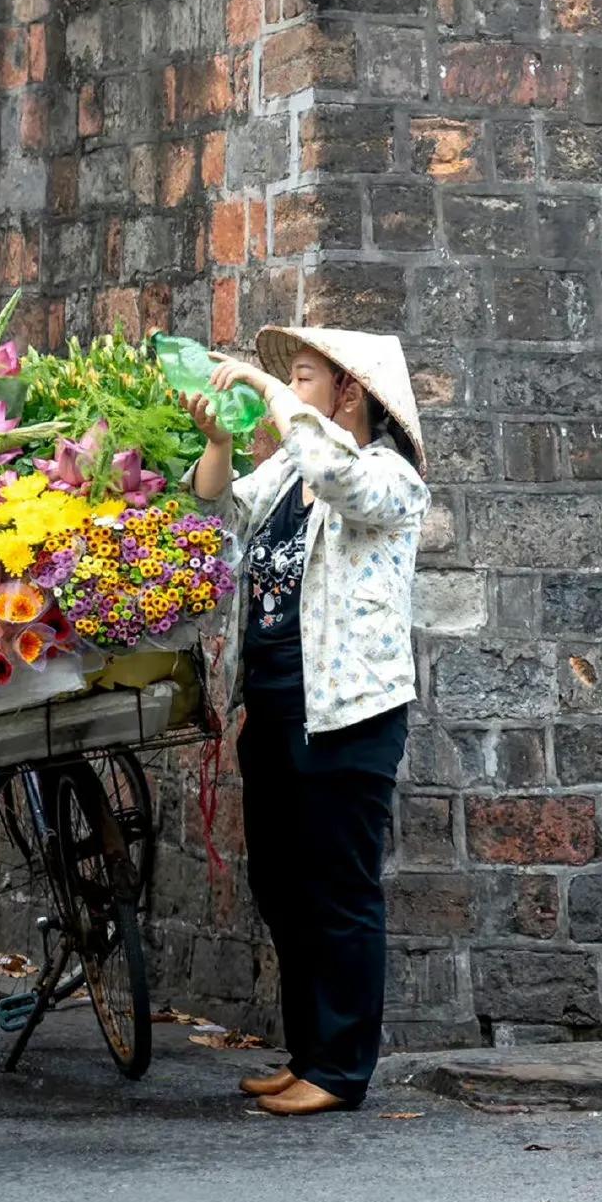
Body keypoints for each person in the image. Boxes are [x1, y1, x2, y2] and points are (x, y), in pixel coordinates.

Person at [182, 325, 430, 1116]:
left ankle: (342, 1068)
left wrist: (269, 395)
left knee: (340, 887)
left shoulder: (388, 477)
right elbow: (217, 502)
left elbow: (337, 471)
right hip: (279, 708)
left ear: (347, 391)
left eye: (302, 377)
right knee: (282, 884)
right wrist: (219, 443)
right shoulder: (291, 472)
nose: (284, 390)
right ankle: (308, 1054)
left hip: (350, 716)